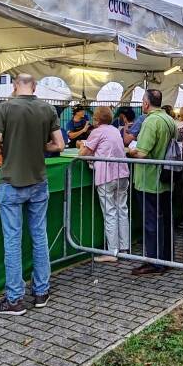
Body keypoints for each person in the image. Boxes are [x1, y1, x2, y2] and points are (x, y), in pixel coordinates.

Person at [0, 74, 64, 316]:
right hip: (39, 181)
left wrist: (8, 147)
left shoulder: (5, 108)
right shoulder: (47, 108)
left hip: (11, 181)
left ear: (14, 86)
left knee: (13, 240)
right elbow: (59, 145)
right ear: (35, 86)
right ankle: (41, 292)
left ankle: (15, 300)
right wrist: (41, 147)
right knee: (39, 236)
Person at [127, 88, 178, 275]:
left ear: (147, 103)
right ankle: (165, 258)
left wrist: (130, 151)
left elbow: (142, 153)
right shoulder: (169, 120)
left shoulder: (151, 122)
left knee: (151, 222)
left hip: (149, 179)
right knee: (164, 220)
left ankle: (154, 261)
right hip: (165, 177)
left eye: (142, 101)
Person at [79, 106, 130, 263]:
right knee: (122, 210)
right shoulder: (114, 130)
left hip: (107, 176)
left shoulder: (97, 131)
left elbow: (83, 154)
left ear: (96, 119)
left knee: (110, 213)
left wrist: (82, 145)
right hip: (122, 174)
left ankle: (112, 252)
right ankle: (124, 248)